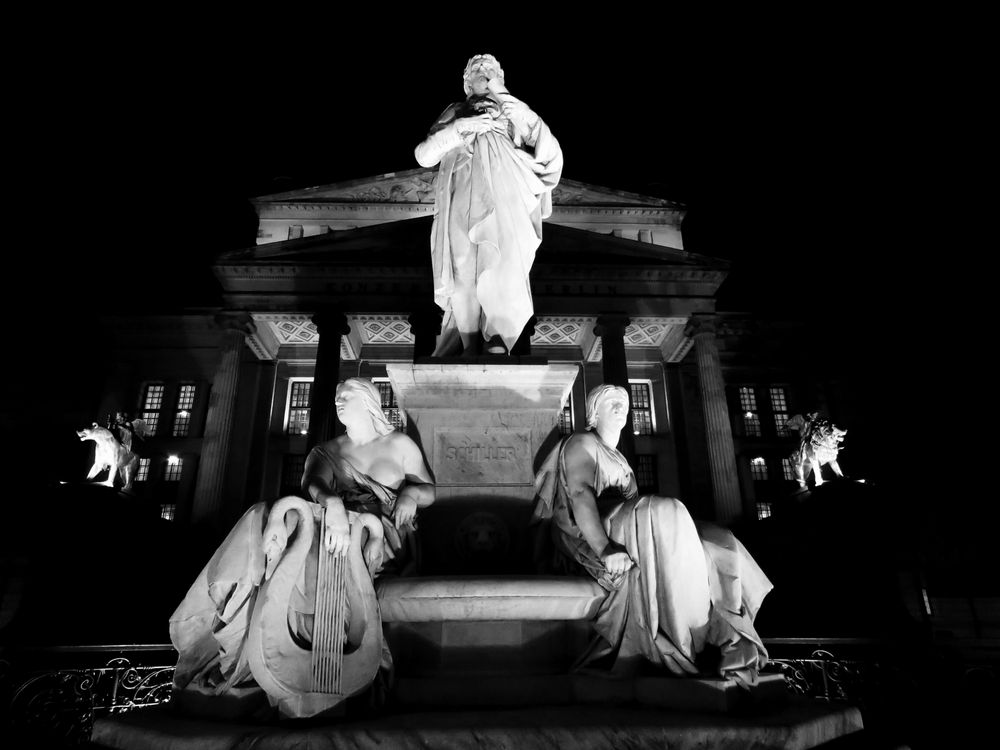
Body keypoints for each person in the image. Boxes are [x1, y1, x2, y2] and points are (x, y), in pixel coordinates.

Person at [169, 378, 434, 717]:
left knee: (322, 546)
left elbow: (429, 488)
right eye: (336, 396)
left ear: (368, 400)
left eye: (346, 396)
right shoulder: (328, 450)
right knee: (268, 517)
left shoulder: (399, 444)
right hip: (333, 518)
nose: (338, 402)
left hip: (379, 528)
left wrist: (411, 495)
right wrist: (333, 504)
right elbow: (314, 483)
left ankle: (313, 662)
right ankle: (246, 633)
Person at [532, 384, 773, 685]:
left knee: (715, 537)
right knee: (664, 510)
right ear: (593, 413)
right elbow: (580, 495)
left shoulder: (620, 461)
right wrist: (604, 547)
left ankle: (727, 634)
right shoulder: (582, 443)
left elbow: (630, 508)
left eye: (624, 402)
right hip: (585, 535)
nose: (621, 407)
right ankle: (682, 641)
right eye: (611, 403)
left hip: (623, 526)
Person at [415, 53, 563, 356]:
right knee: (463, 267)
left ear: (500, 77)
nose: (483, 72)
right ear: (467, 81)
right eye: (477, 70)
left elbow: (549, 154)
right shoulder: (456, 111)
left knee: (502, 262)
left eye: (490, 69)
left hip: (506, 197)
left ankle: (496, 335)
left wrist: (507, 101)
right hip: (463, 194)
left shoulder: (513, 112)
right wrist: (462, 127)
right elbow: (424, 155)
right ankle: (469, 344)